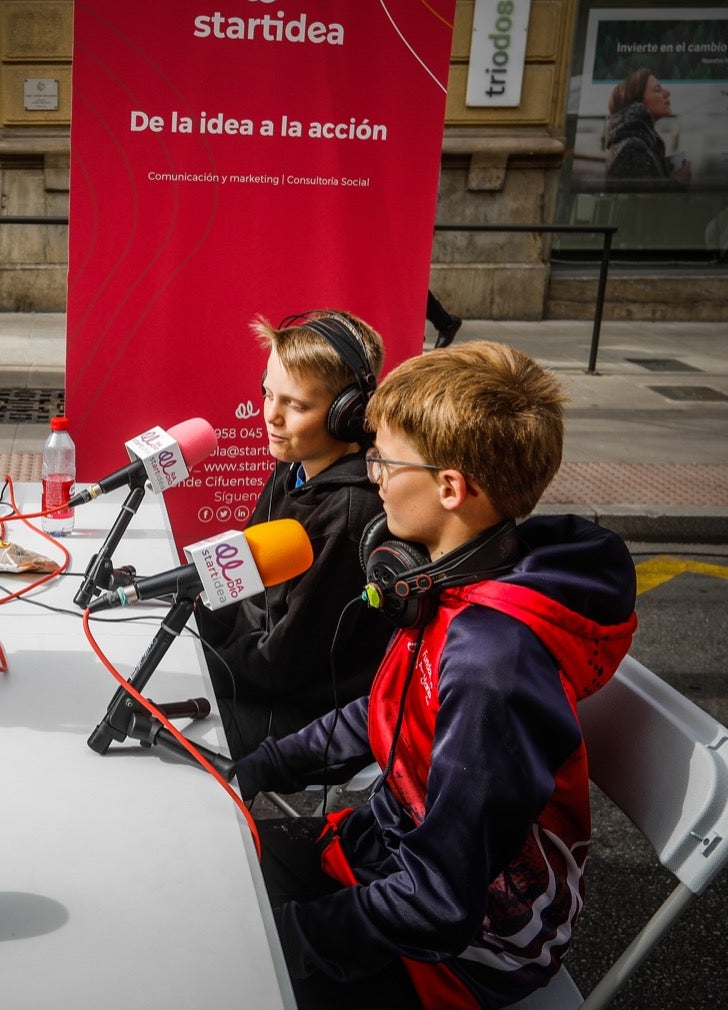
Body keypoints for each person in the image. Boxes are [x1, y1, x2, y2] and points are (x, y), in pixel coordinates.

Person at [231, 341, 638, 1009]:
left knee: (229, 949)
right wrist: (255, 767)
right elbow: (384, 711)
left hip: (473, 945)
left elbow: (441, 901)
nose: (375, 478)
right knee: (213, 867)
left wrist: (286, 940)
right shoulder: (449, 577)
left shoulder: (492, 662)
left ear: (451, 487)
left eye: (385, 462)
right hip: (390, 850)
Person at [196, 311, 394, 759]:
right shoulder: (293, 464)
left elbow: (281, 666)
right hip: (250, 669)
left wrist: (199, 659)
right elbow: (241, 574)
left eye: (296, 406)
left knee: (160, 727)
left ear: (349, 414)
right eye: (267, 393)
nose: (271, 416)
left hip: (303, 712)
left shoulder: (348, 515)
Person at [604, 67, 691, 188]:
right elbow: (645, 204)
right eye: (657, 89)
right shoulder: (632, 148)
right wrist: (680, 182)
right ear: (638, 103)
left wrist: (663, 171)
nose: (667, 93)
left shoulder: (638, 143)